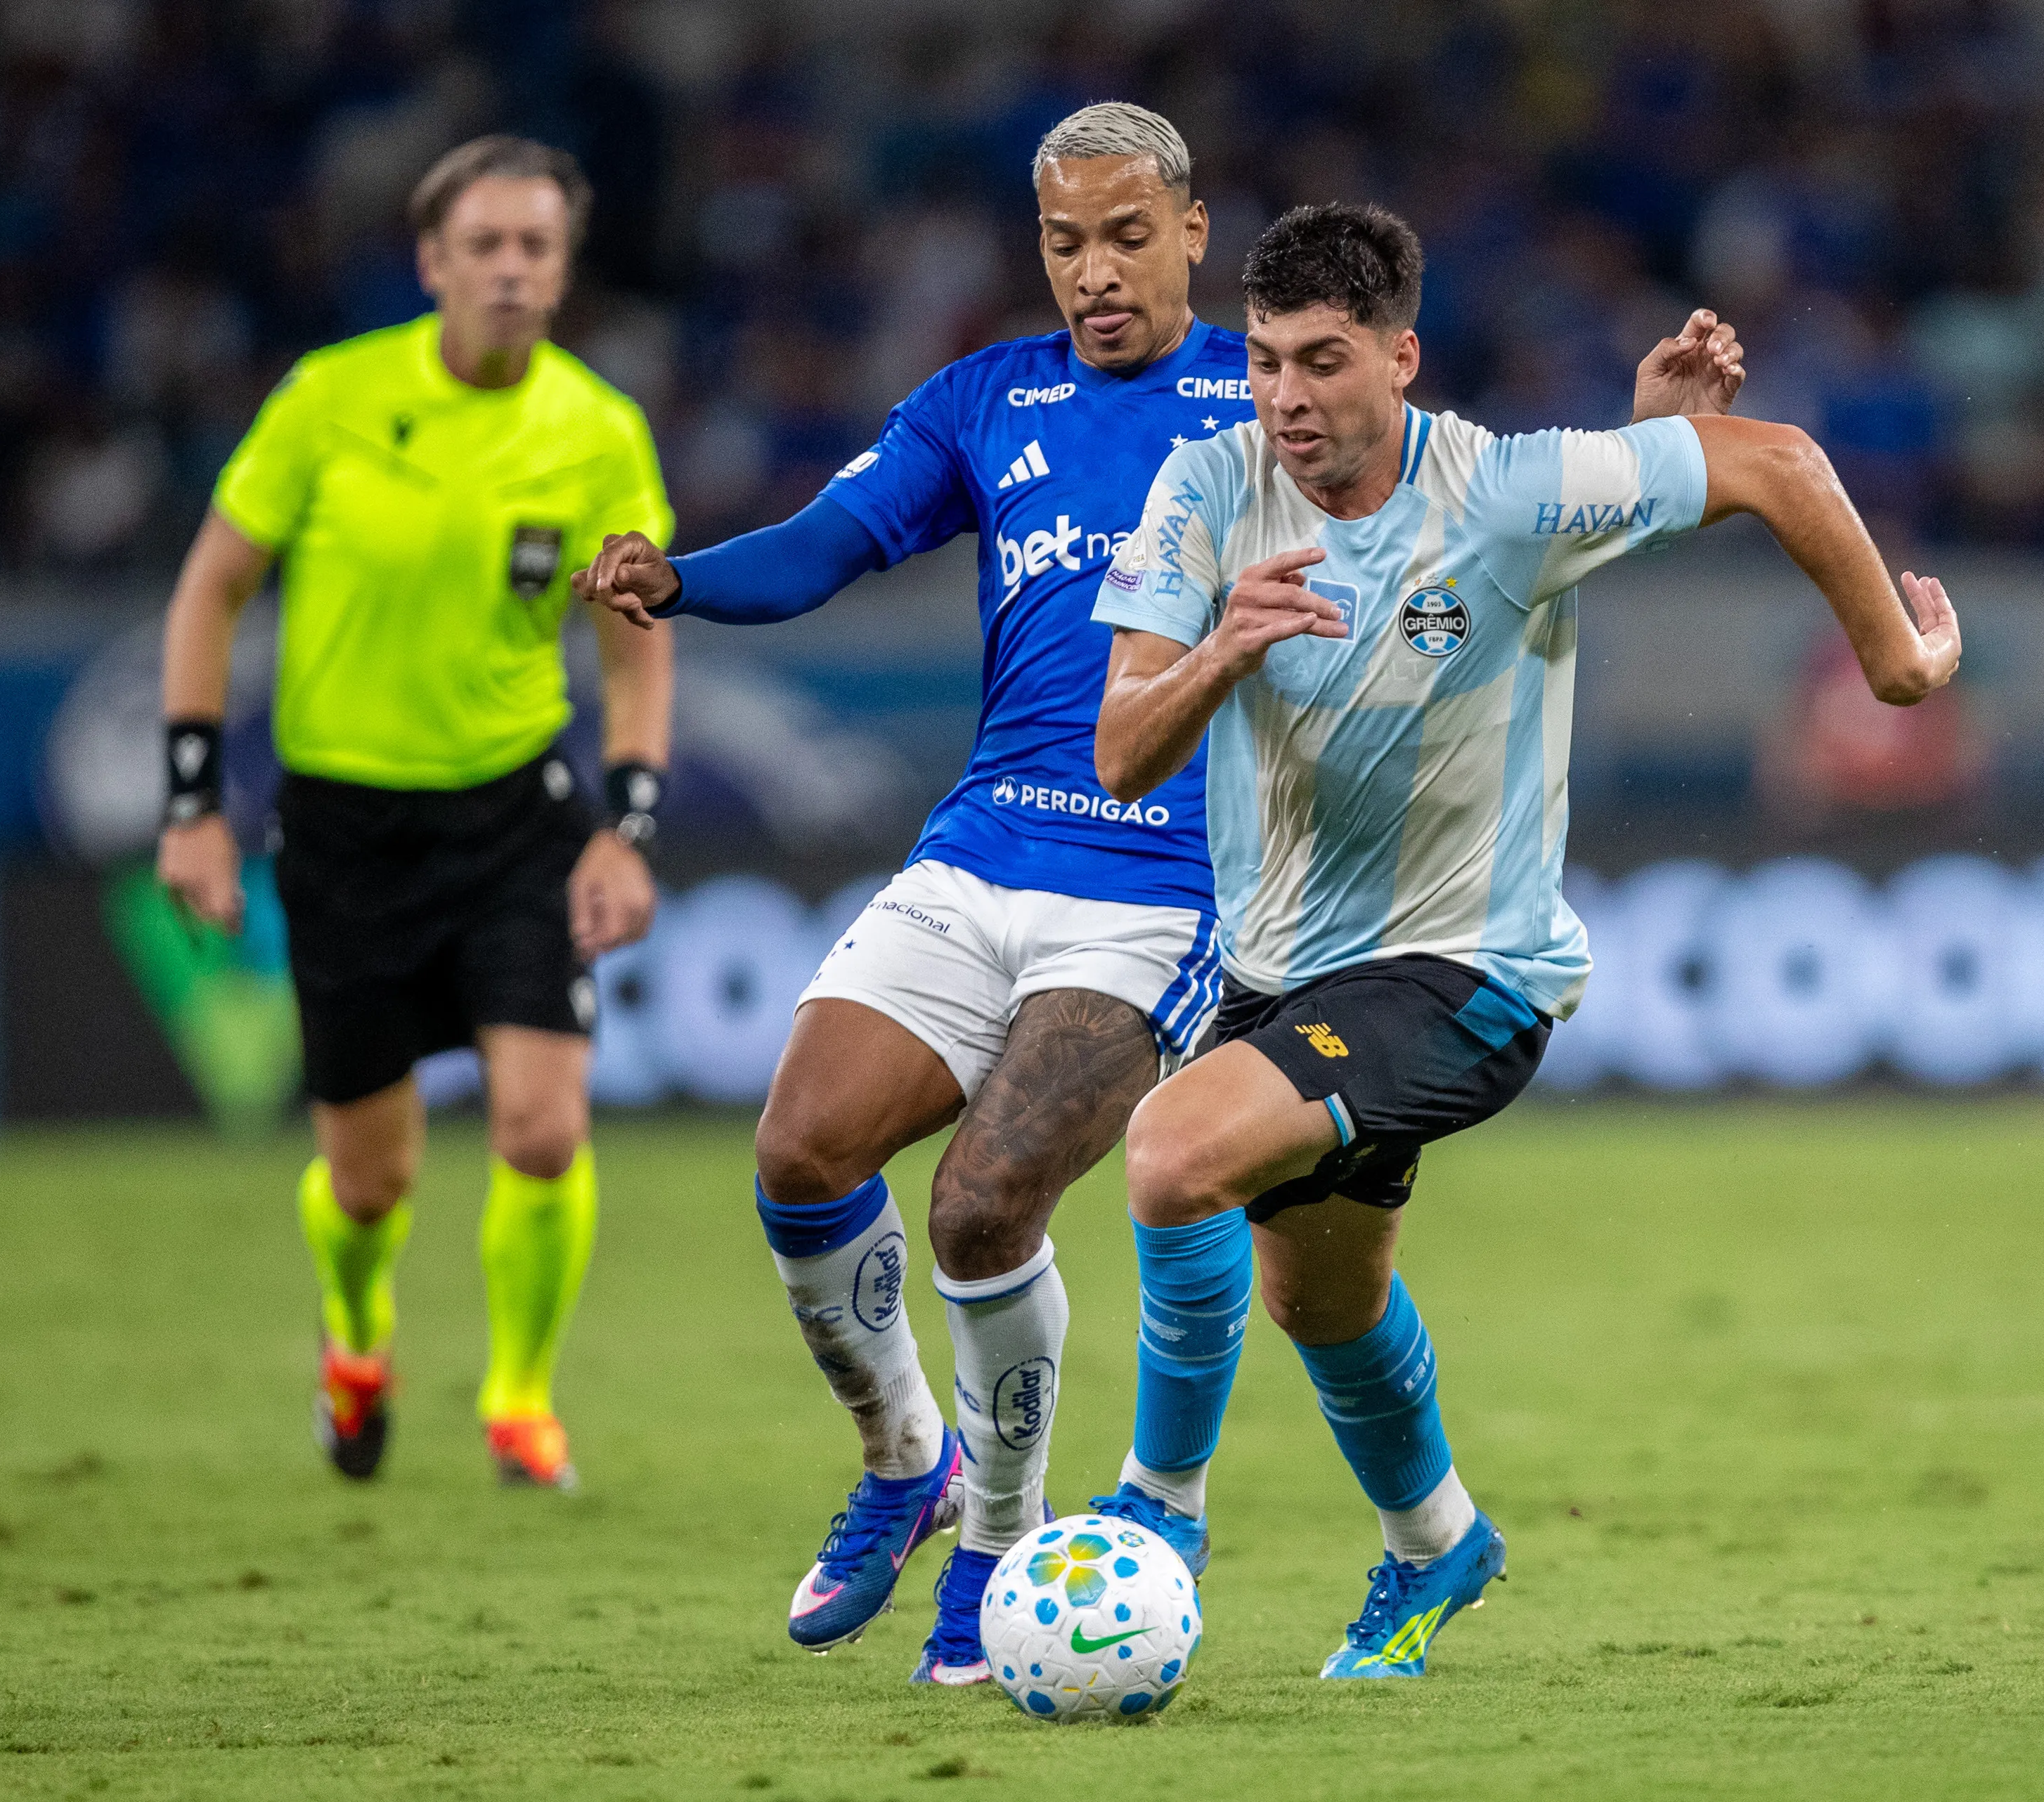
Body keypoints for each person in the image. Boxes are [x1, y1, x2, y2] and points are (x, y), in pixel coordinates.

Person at [581, 104, 1745, 1684]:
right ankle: (905, 1456)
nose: (1094, 271)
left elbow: (1472, 529)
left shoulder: (1269, 396)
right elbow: (829, 545)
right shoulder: (986, 401)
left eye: (1127, 235)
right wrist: (682, 576)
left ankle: (1041, 1529)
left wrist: (1646, 441)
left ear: (1194, 232)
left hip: (1177, 883)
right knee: (802, 1149)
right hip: (985, 844)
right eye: (1064, 242)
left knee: (1017, 1195)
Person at [1086, 202, 1958, 1679]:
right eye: (1262, 362)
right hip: (1280, 974)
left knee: (1173, 1150)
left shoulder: (1504, 494)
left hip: (1468, 971)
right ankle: (1439, 1542)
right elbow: (1120, 749)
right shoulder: (1206, 487)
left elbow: (1786, 466)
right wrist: (1224, 647)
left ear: (1401, 359)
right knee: (1321, 1296)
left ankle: (1157, 1514)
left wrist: (1898, 662)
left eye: (1322, 361)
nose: (1286, 397)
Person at [156, 136, 674, 1493]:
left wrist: (627, 821)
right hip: (342, 832)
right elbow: (212, 588)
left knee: (543, 1130)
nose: (510, 269)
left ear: (563, 270)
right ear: (432, 259)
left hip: (517, 816)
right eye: (484, 246)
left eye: (536, 248)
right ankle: (358, 1335)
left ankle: (518, 1400)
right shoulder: (330, 399)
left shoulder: (596, 429)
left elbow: (634, 638)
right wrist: (193, 805)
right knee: (372, 1183)